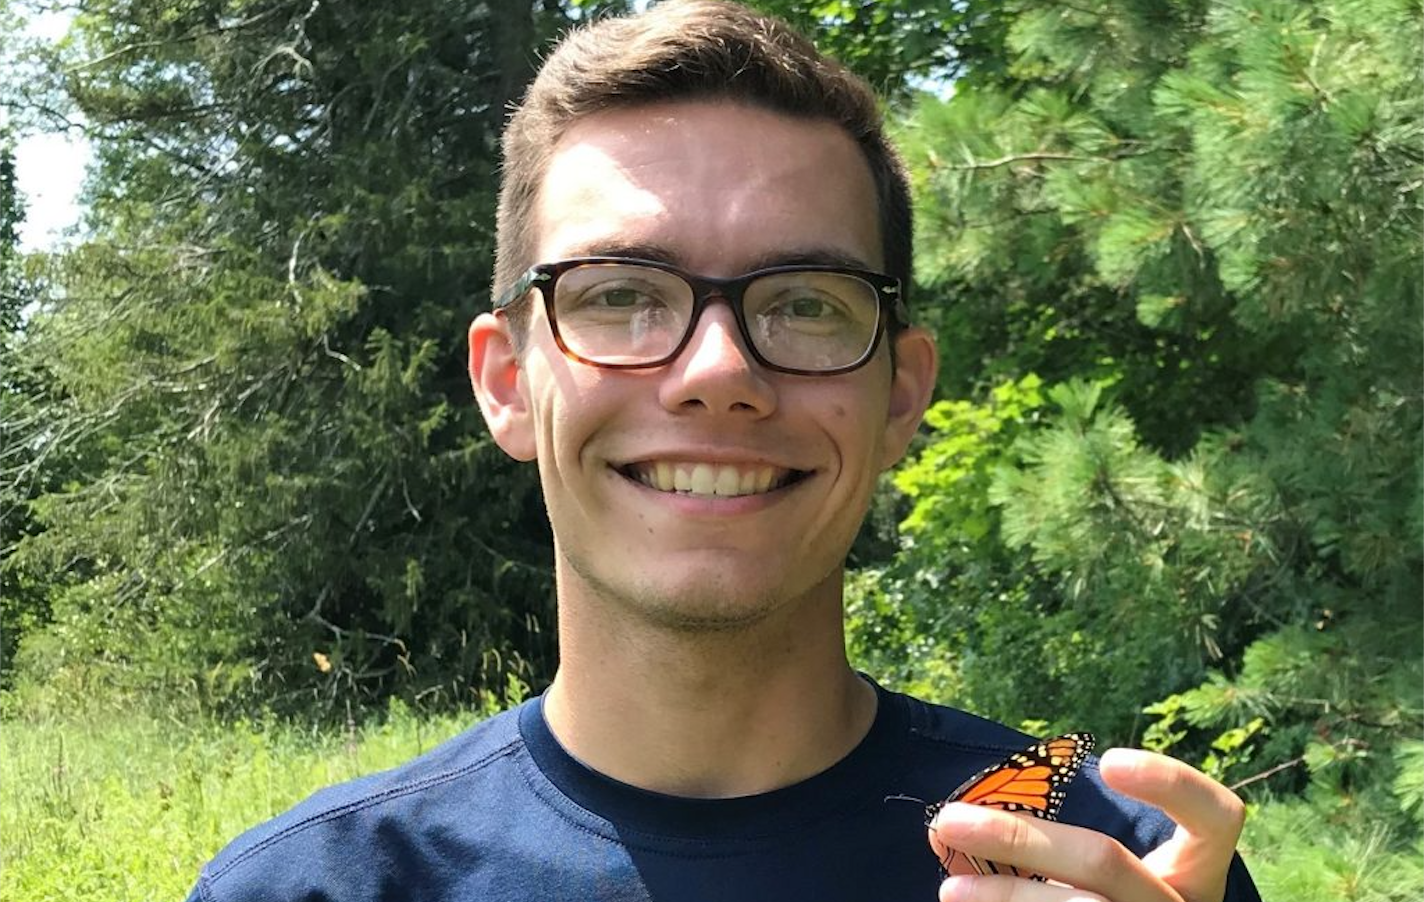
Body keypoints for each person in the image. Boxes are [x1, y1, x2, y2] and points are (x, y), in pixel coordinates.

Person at [185, 2, 1260, 900]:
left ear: (901, 393)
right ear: (506, 381)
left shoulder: (1103, 859)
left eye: (802, 302)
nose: (717, 369)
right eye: (617, 295)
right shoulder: (314, 886)